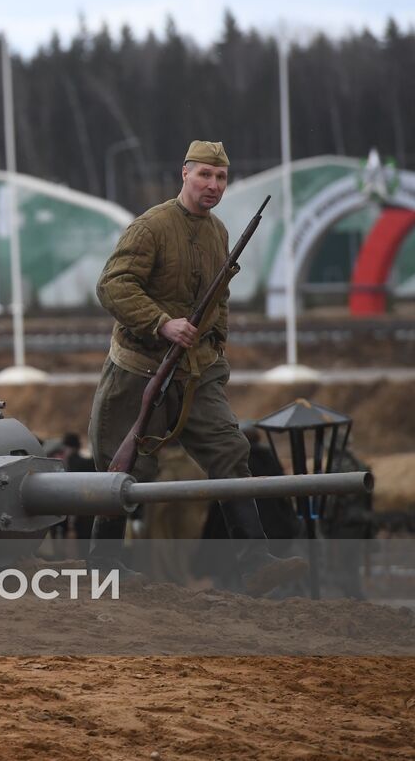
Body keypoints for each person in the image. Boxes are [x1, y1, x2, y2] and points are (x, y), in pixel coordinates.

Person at [86, 140, 307, 596]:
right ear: (184, 173)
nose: (213, 185)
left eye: (221, 177)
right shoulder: (151, 227)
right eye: (204, 175)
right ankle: (102, 565)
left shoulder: (219, 233)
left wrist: (216, 354)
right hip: (138, 370)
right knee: (120, 470)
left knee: (230, 452)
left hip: (196, 373)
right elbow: (112, 285)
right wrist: (162, 323)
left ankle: (255, 562)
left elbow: (219, 300)